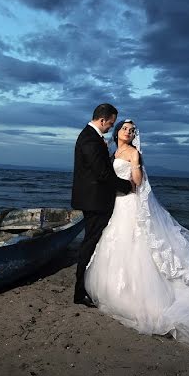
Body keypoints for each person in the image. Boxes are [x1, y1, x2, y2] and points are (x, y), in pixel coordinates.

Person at [84, 119, 189, 354]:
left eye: (132, 130)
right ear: (118, 131)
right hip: (118, 203)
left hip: (131, 203)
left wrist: (135, 165)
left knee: (136, 242)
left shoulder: (133, 153)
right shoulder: (113, 152)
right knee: (117, 242)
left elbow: (138, 183)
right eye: (125, 128)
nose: (128, 132)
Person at [71, 103, 134, 307]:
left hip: (94, 199)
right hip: (95, 201)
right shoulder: (90, 139)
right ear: (102, 120)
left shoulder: (92, 138)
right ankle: (80, 293)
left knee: (93, 242)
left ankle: (87, 287)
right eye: (111, 123)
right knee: (90, 244)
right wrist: (126, 186)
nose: (110, 128)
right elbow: (102, 174)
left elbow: (99, 167)